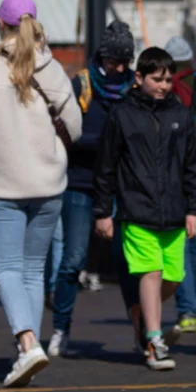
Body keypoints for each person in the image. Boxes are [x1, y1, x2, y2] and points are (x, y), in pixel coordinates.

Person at [0, 0, 82, 387]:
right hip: (49, 184)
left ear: (0, 25)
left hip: (3, 185)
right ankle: (30, 346)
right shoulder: (53, 68)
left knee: (4, 268)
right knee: (31, 269)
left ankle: (26, 344)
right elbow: (74, 126)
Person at [94, 47, 196, 370]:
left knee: (173, 277)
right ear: (139, 77)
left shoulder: (181, 115)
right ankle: (154, 341)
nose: (164, 86)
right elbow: (106, 166)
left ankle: (142, 313)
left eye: (169, 79)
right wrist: (103, 212)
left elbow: (194, 165)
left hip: (174, 211)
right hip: (136, 210)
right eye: (157, 79)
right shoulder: (122, 114)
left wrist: (193, 209)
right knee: (151, 273)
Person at [62, 21, 142, 354]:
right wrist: (108, 143)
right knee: (73, 259)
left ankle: (142, 332)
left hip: (122, 186)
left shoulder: (134, 89)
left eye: (125, 62)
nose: (119, 69)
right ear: (101, 56)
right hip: (82, 183)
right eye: (113, 61)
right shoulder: (81, 84)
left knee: (129, 263)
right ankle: (60, 330)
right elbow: (67, 134)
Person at [164, 36, 196, 335]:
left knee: (182, 242)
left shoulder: (169, 91)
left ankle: (188, 308)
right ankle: (194, 301)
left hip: (177, 173)